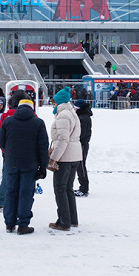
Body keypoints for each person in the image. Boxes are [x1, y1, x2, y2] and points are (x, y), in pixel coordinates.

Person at [0, 98, 49, 234]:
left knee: (10, 192)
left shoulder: (8, 121)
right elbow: (43, 147)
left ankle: (9, 224)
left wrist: (9, 152)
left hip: (11, 163)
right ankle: (23, 224)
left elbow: (0, 141)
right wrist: (43, 166)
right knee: (26, 194)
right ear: (32, 108)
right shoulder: (38, 123)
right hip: (30, 164)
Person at [48, 87, 83, 230]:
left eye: (54, 102)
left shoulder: (63, 116)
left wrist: (54, 158)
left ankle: (64, 222)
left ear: (59, 102)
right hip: (74, 156)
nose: (52, 105)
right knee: (68, 188)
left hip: (65, 157)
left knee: (60, 189)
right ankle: (72, 219)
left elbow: (63, 139)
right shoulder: (71, 113)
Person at [73, 98, 93, 197]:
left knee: (81, 165)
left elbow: (82, 133)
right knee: (80, 165)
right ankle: (83, 186)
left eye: (75, 107)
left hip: (82, 144)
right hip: (81, 143)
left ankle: (84, 188)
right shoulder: (83, 116)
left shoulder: (83, 118)